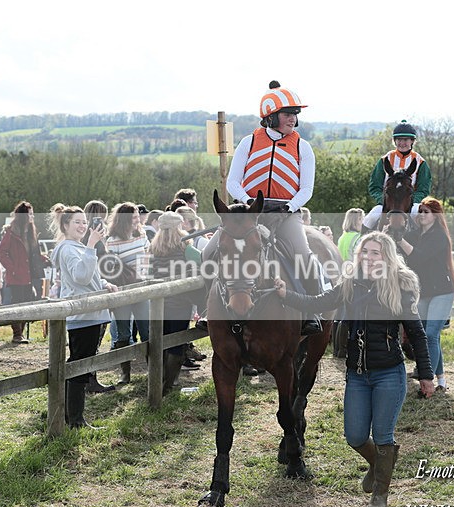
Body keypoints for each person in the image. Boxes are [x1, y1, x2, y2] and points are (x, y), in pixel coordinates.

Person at [273, 232, 434, 507]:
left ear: (386, 257)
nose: (369, 258)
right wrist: (287, 295)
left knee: (383, 435)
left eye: (376, 253)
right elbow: (318, 303)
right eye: (365, 252)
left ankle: (380, 497)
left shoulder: (401, 285)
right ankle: (379, 464)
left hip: (389, 374)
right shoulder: (350, 283)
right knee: (355, 436)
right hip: (357, 375)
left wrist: (426, 374)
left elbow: (417, 335)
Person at [203, 80, 321, 335]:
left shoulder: (303, 146)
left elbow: (306, 189)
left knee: (304, 256)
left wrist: (289, 207)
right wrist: (248, 203)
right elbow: (233, 181)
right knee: (208, 252)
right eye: (288, 114)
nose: (293, 119)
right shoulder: (249, 142)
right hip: (247, 212)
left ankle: (312, 312)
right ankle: (208, 309)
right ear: (271, 116)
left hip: (285, 213)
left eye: (295, 115)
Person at [49, 204, 119, 428]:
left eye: (84, 221)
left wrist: (104, 284)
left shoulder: (78, 247)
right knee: (79, 366)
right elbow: (80, 277)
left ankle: (70, 415)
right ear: (66, 225)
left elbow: (88, 278)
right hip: (83, 316)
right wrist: (91, 245)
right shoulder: (70, 249)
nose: (82, 225)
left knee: (80, 364)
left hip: (93, 313)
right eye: (77, 222)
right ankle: (75, 419)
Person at [394, 197, 454, 392]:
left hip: (442, 292)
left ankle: (426, 378)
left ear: (436, 216)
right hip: (422, 293)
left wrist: (400, 240)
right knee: (428, 336)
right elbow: (404, 259)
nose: (421, 215)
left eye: (426, 212)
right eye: (420, 211)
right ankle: (441, 381)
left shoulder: (439, 236)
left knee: (430, 335)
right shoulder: (414, 235)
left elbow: (419, 257)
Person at [149, 211, 206, 391]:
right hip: (180, 303)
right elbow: (205, 261)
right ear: (178, 227)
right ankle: (167, 385)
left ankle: (158, 382)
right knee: (177, 345)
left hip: (158, 303)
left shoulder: (154, 248)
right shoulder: (185, 248)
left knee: (161, 342)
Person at [106, 202, 150, 385]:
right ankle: (125, 374)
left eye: (137, 216)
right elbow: (112, 268)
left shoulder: (141, 235)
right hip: (123, 290)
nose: (137, 220)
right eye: (133, 217)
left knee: (147, 330)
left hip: (141, 288)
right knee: (123, 334)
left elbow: (148, 256)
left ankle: (153, 369)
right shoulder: (113, 240)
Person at [363, 121, 432, 230]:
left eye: (405, 140)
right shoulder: (385, 159)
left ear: (412, 141)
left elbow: (424, 189)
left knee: (418, 216)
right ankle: (360, 243)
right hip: (388, 202)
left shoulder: (421, 162)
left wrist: (410, 200)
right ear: (394, 141)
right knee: (371, 217)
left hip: (410, 203)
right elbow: (374, 186)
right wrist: (384, 199)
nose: (402, 143)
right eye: (399, 140)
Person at [0, 201, 47, 343]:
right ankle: (17, 335)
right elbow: (2, 253)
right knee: (17, 304)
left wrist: (42, 259)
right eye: (30, 214)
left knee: (28, 301)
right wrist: (12, 269)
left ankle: (21, 333)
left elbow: (32, 253)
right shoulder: (11, 232)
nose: (32, 216)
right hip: (16, 276)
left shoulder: (31, 232)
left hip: (29, 274)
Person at [81, 199, 115, 394]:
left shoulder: (95, 234)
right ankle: (88, 379)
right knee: (94, 335)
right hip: (96, 285)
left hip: (102, 283)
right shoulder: (91, 236)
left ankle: (90, 377)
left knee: (98, 333)